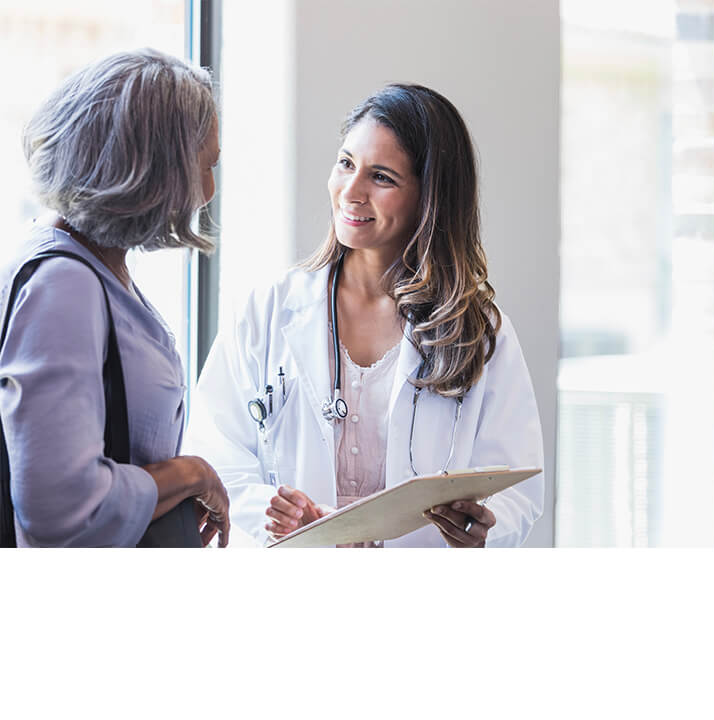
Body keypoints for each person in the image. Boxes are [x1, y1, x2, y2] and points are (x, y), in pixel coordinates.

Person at [185, 83, 543, 548]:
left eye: (382, 177)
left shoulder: (480, 331)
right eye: (346, 164)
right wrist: (281, 514)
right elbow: (214, 457)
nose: (350, 192)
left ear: (429, 196)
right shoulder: (267, 311)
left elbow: (517, 491)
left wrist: (480, 526)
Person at [0, 48, 230, 547]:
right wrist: (190, 475)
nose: (208, 190)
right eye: (206, 165)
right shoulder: (64, 285)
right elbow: (61, 510)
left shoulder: (90, 260)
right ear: (153, 171)